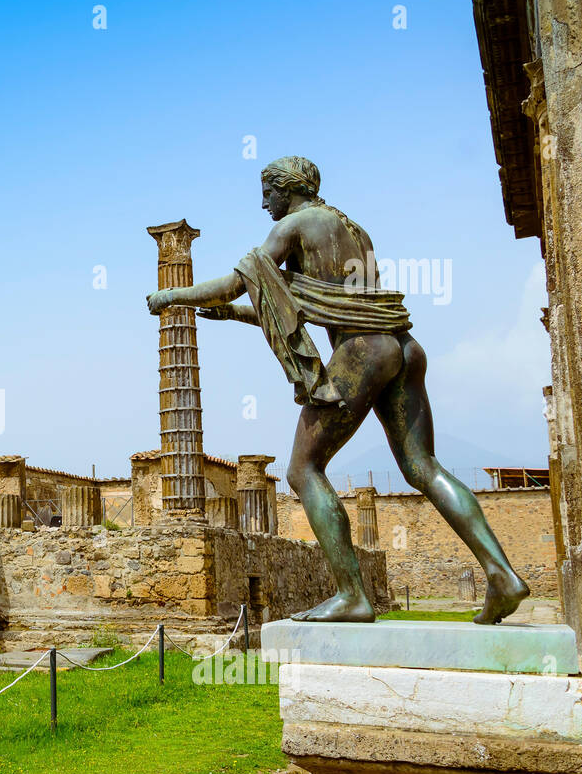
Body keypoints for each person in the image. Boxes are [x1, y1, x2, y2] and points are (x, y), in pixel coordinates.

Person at [146, 155, 528, 624]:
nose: (264, 202)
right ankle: (502, 573)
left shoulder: (293, 227)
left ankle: (352, 595)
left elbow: (230, 285)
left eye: (267, 192)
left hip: (362, 353)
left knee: (303, 470)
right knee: (423, 466)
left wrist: (171, 297)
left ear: (286, 188)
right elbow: (318, 305)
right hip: (402, 347)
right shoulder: (355, 230)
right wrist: (241, 315)